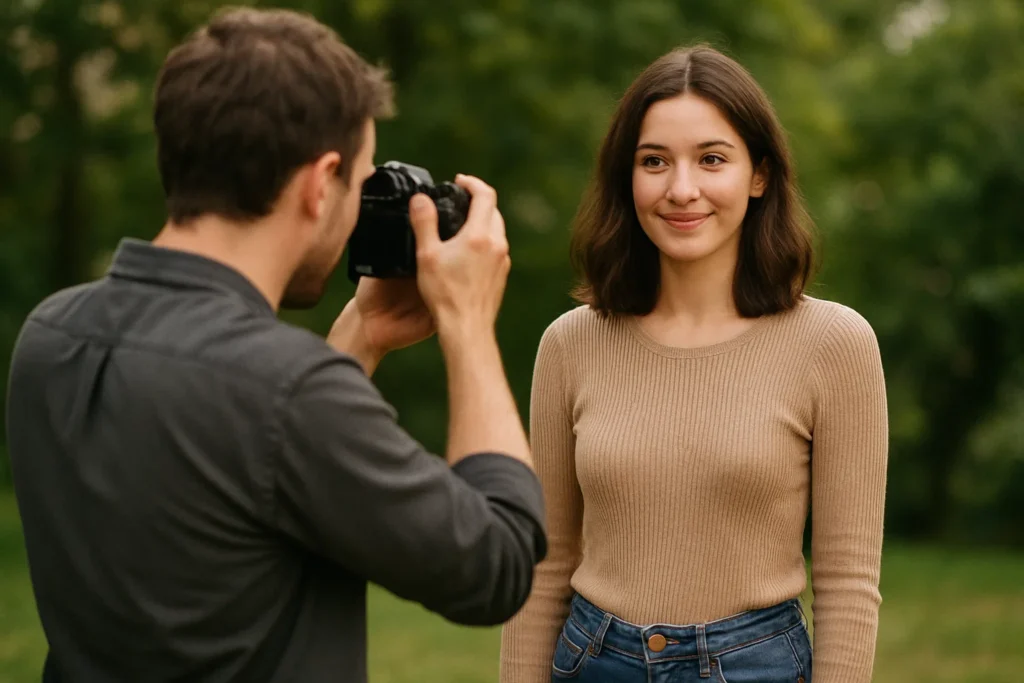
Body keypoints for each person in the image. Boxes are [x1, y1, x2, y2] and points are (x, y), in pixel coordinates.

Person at [6, 7, 547, 683]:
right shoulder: (286, 391)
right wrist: (468, 325)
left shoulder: (54, 333)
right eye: (360, 180)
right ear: (320, 184)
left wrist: (361, 335)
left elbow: (237, 475)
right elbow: (496, 564)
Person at [499, 45, 888, 683]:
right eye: (654, 162)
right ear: (628, 176)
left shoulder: (835, 344)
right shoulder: (570, 343)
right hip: (594, 661)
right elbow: (544, 566)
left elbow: (848, 581)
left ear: (759, 175)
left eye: (711, 159)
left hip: (757, 666)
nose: (682, 190)